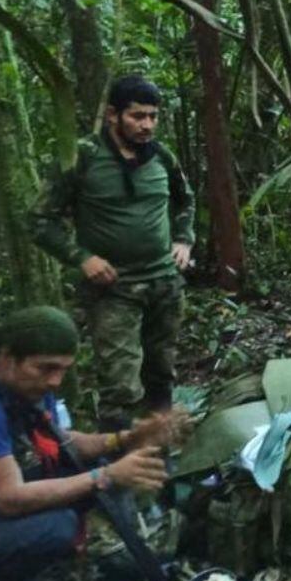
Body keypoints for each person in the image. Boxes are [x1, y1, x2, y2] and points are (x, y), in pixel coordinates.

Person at [0, 307, 188, 581]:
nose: (55, 381)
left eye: (63, 369)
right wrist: (105, 476)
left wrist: (125, 439)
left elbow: (63, 441)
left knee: (107, 463)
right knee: (57, 526)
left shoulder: (25, 387)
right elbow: (8, 499)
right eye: (46, 368)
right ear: (6, 357)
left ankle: (120, 548)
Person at [31, 75, 194, 429]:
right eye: (137, 116)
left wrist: (183, 239)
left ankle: (159, 456)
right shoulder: (82, 158)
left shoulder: (162, 157)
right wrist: (81, 258)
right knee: (120, 386)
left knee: (162, 374)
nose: (147, 124)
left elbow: (185, 201)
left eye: (152, 116)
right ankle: (120, 470)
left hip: (164, 283)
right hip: (114, 289)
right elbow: (41, 221)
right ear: (112, 115)